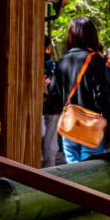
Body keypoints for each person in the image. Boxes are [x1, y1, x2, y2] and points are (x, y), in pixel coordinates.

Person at [45, 17, 110, 164]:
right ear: (91, 35)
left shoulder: (62, 62)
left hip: (69, 125)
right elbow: (101, 97)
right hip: (91, 126)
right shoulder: (96, 60)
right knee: (91, 171)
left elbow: (54, 98)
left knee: (73, 172)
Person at [42, 36, 61, 167]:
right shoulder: (54, 65)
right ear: (48, 48)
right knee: (50, 143)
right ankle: (48, 175)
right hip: (52, 107)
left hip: (31, 107)